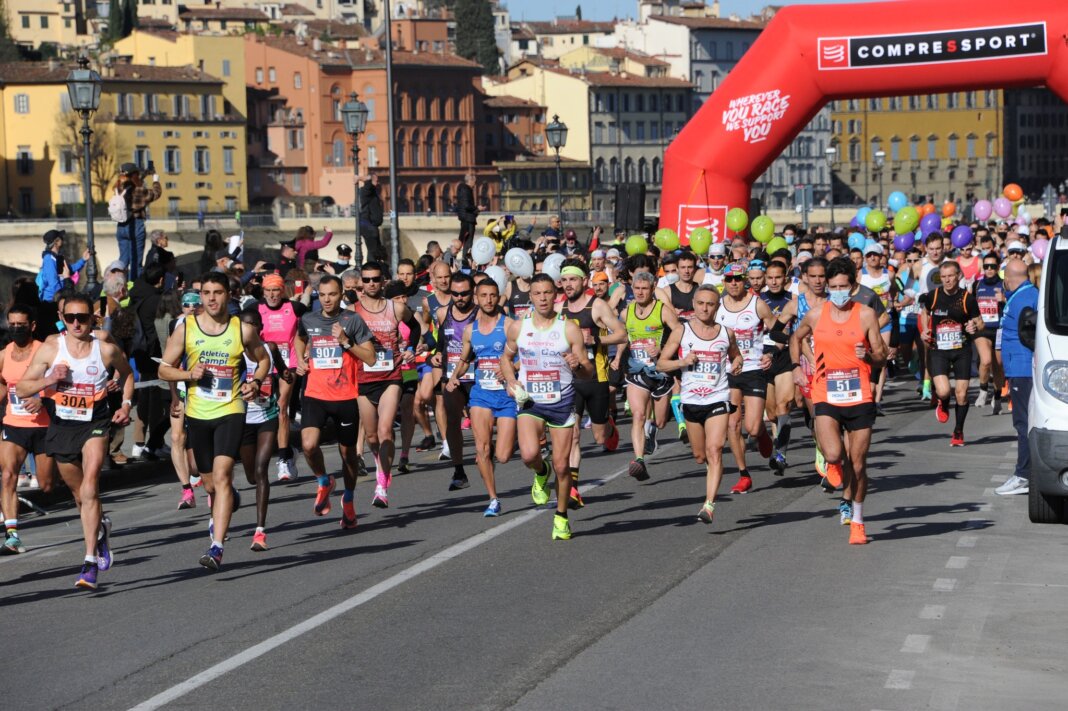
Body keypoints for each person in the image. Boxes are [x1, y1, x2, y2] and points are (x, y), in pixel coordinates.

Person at [17, 294, 135, 589]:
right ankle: (102, 530)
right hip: (61, 426)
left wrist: (125, 404)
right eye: (70, 318)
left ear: (92, 319)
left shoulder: (105, 350)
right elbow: (22, 388)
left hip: (95, 423)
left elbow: (128, 374)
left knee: (91, 485)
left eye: (82, 318)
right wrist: (49, 380)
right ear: (63, 319)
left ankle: (89, 562)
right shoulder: (51, 348)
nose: (76, 323)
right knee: (80, 495)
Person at [158, 273, 271, 570]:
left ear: (228, 295)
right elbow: (164, 369)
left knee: (221, 477)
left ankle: (217, 547)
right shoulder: (186, 330)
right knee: (208, 483)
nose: (211, 298)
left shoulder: (242, 330)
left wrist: (256, 383)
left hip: (230, 410)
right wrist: (187, 375)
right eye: (205, 292)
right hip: (198, 414)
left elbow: (263, 360)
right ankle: (226, 497)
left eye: (217, 292)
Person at [791, 257, 887, 545]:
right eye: (833, 287)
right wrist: (801, 365)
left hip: (859, 395)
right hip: (826, 391)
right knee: (833, 453)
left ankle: (857, 521)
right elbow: (796, 338)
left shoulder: (866, 315)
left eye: (843, 286)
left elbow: (882, 356)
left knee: (858, 464)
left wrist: (868, 356)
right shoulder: (817, 314)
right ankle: (833, 464)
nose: (838, 292)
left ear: (853, 285)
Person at [499, 274, 593, 540]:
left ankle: (561, 516)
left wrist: (578, 365)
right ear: (531, 297)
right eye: (537, 293)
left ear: (556, 295)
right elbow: (505, 358)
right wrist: (510, 380)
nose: (542, 298)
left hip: (562, 402)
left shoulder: (569, 329)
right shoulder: (519, 328)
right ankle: (541, 471)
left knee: (563, 466)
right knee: (529, 455)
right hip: (531, 401)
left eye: (547, 293)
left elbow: (587, 372)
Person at [292, 275, 376, 529]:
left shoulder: (353, 320)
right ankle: (323, 481)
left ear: (341, 295)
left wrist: (346, 342)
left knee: (348, 454)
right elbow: (299, 337)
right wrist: (300, 359)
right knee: (308, 445)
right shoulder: (309, 319)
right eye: (323, 294)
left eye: (332, 294)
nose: (327, 299)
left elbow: (370, 358)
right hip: (316, 393)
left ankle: (348, 502)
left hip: (346, 396)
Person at [657, 285, 743, 524]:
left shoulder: (726, 333)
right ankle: (712, 471)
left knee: (714, 450)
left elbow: (736, 355)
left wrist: (737, 363)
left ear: (717, 307)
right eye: (701, 303)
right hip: (691, 401)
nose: (705, 308)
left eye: (711, 304)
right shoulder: (681, 332)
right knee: (699, 455)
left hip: (717, 398)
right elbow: (661, 364)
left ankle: (709, 504)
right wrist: (682, 361)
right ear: (694, 304)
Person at [445, 277, 516, 516]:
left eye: (492, 295)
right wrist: (454, 377)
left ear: (498, 297)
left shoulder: (508, 326)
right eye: (483, 295)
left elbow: (523, 356)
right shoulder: (470, 330)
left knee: (503, 456)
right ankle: (493, 499)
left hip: (506, 395)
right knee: (482, 449)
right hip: (481, 395)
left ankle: (500, 451)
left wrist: (510, 368)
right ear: (477, 298)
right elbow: (465, 360)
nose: (488, 300)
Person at [559, 260, 626, 507]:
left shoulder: (596, 306)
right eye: (564, 280)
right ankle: (573, 489)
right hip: (570, 379)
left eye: (573, 279)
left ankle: (609, 426)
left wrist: (595, 338)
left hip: (596, 378)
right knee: (573, 435)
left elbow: (621, 334)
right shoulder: (559, 309)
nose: (568, 284)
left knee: (599, 438)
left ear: (584, 281)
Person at [353, 261, 420, 508]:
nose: (371, 283)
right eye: (367, 280)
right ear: (362, 282)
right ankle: (382, 463)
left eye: (375, 279)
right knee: (371, 435)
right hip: (363, 379)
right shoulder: (352, 310)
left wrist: (411, 348)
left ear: (383, 281)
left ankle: (381, 485)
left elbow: (414, 327)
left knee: (384, 431)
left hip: (391, 377)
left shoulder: (396, 308)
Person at [0, 305, 56, 554]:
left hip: (44, 425)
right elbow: (2, 382)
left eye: (20, 325)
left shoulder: (45, 351)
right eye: (11, 324)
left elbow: (62, 381)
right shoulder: (3, 354)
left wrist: (42, 397)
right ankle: (12, 535)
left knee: (46, 484)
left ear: (32, 325)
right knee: (8, 475)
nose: (15, 329)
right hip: (14, 424)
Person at [716, 262, 774, 494]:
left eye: (738, 279)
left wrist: (770, 353)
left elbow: (777, 331)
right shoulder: (717, 307)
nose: (733, 283)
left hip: (753, 369)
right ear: (724, 282)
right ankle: (743, 474)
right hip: (727, 372)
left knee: (751, 427)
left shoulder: (757, 304)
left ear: (745, 281)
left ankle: (761, 433)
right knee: (732, 423)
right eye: (729, 279)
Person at [237, 308, 292, 551]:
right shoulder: (235, 355)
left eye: (252, 326)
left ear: (259, 328)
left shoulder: (269, 348)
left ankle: (260, 531)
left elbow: (282, 370)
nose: (248, 330)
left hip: (267, 417)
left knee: (261, 470)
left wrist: (288, 375)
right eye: (243, 325)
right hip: (241, 419)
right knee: (250, 475)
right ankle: (235, 497)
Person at [621, 271, 683, 481]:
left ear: (652, 288)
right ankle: (639, 460)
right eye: (636, 288)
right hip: (637, 371)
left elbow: (679, 331)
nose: (640, 292)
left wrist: (662, 348)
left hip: (660, 372)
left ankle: (652, 430)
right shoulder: (626, 312)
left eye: (644, 289)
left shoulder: (662, 311)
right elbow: (623, 337)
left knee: (662, 420)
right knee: (637, 415)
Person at [920, 261, 983, 446]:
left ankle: (958, 432)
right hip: (939, 350)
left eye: (951, 276)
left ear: (959, 276)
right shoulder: (933, 296)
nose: (947, 280)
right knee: (944, 390)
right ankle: (943, 402)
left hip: (962, 350)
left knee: (962, 395)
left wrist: (974, 326)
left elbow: (980, 323)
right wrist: (925, 329)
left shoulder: (967, 299)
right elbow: (924, 312)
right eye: (944, 277)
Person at [994, 259, 1038, 496]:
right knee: (1022, 423)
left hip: (1023, 369)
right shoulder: (1019, 296)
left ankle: (1023, 476)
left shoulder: (1027, 297)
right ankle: (1025, 473)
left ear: (1009, 278)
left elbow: (1031, 334)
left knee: (1023, 424)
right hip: (1016, 369)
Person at [431, 272, 478, 490]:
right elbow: (441, 343)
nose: (459, 298)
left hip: (478, 375)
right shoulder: (443, 313)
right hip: (452, 377)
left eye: (464, 294)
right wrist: (436, 355)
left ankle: (486, 452)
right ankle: (459, 470)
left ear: (472, 292)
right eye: (455, 294)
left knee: (481, 424)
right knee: (452, 420)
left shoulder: (481, 314)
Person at [257, 274, 305, 481]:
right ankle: (287, 451)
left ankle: (284, 458)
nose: (272, 295)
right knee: (266, 408)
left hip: (289, 363)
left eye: (275, 290)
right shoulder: (255, 308)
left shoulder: (294, 308)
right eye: (268, 291)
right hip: (265, 364)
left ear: (282, 291)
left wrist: (306, 353)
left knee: (282, 406)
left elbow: (310, 327)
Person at [760, 261, 798, 473]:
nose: (774, 281)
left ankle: (781, 454)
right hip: (762, 359)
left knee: (784, 406)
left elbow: (788, 330)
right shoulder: (758, 301)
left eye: (778, 277)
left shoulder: (792, 301)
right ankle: (776, 444)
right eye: (770, 278)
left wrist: (777, 349)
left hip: (782, 356)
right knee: (772, 414)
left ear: (785, 278)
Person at [113, 163, 162, 280]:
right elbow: (155, 193)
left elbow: (130, 183)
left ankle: (119, 284)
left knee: (123, 260)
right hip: (135, 225)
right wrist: (155, 180)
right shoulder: (139, 191)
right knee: (136, 261)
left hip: (121, 226)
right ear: (135, 175)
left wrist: (143, 176)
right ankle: (134, 287)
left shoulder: (118, 188)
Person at [973, 254, 1006, 414]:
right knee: (985, 361)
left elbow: (1013, 306)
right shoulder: (977, 285)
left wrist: (1004, 299)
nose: (989, 269)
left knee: (998, 366)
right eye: (986, 266)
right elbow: (970, 306)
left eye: (993, 266)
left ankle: (997, 397)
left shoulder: (1004, 285)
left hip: (999, 330)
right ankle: (983, 390)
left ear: (998, 268)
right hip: (982, 330)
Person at [37, 230, 88, 302]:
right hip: (52, 300)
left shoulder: (56, 257)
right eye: (61, 238)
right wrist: (62, 298)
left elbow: (68, 270)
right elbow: (53, 283)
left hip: (58, 297)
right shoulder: (49, 258)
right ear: (56, 242)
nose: (63, 240)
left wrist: (83, 260)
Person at [359, 173, 386, 263]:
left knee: (377, 251)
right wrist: (360, 178)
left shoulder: (372, 192)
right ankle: (371, 268)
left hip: (372, 226)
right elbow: (368, 182)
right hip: (368, 226)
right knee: (373, 252)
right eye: (376, 180)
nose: (378, 183)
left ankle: (377, 267)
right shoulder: (367, 190)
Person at [456, 173, 481, 257]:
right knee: (468, 243)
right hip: (468, 219)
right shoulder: (466, 190)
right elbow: (466, 205)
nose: (475, 183)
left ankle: (461, 260)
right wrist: (477, 208)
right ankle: (466, 263)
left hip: (466, 218)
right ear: (470, 180)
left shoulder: (463, 189)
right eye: (475, 181)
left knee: (463, 241)